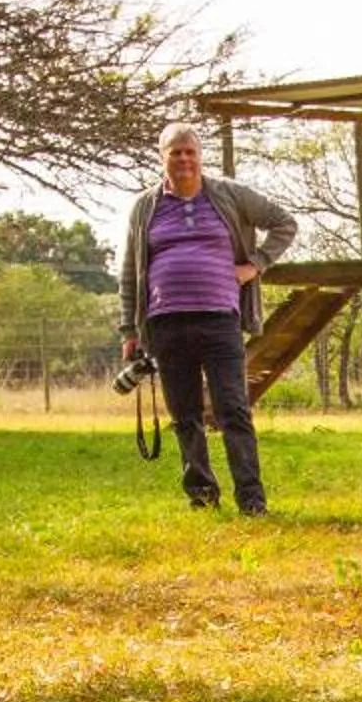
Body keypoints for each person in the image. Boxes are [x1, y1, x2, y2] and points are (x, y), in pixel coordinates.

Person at [116, 121, 298, 517]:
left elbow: (285, 223)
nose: (183, 159)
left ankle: (251, 499)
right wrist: (129, 330)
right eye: (175, 152)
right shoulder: (145, 207)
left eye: (189, 152)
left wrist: (255, 264)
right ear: (162, 158)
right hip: (166, 322)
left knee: (233, 408)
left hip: (220, 318)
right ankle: (201, 493)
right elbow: (130, 271)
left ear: (200, 156)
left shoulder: (229, 195)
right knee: (185, 414)